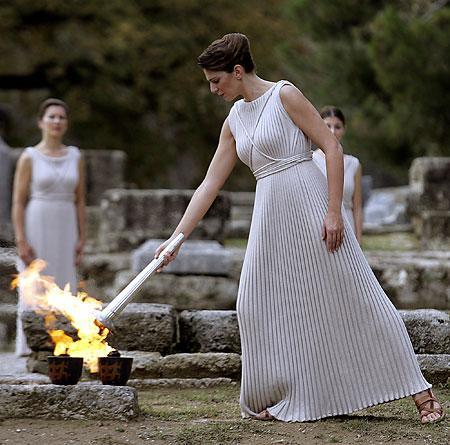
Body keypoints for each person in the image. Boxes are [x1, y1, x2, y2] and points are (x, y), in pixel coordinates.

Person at [155, 33, 443, 423]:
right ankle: (286, 393)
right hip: (269, 214)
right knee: (253, 302)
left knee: (356, 294)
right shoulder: (234, 120)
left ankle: (420, 391)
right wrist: (176, 238)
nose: (213, 89)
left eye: (216, 80)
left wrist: (334, 212)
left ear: (237, 71)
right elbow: (209, 184)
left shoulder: (285, 95)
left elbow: (331, 147)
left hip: (310, 204)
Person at [12, 98, 86, 356]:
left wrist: (82, 238)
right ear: (41, 122)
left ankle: (64, 340)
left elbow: (80, 200)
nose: (56, 121)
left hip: (66, 222)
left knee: (65, 280)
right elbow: (18, 201)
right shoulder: (29, 156)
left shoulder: (76, 155)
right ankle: (31, 344)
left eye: (61, 117)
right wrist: (21, 239)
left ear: (66, 123)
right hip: (37, 220)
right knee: (35, 282)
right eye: (52, 117)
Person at [313, 106, 363, 243]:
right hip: (319, 228)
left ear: (344, 129)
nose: (332, 131)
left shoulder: (354, 163)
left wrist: (358, 239)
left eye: (337, 127)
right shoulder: (310, 160)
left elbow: (357, 207)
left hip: (348, 227)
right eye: (327, 126)